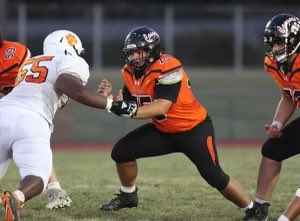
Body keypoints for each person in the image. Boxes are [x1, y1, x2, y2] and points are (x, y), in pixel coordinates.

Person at [98, 26, 254, 218]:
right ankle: (128, 196)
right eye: (131, 52)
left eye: (140, 51)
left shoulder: (168, 66)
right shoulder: (129, 72)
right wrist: (114, 101)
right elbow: (132, 105)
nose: (135, 57)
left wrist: (116, 106)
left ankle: (253, 209)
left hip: (193, 129)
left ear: (152, 50)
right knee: (122, 152)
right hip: (163, 130)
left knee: (214, 176)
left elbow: (160, 107)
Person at [0, 29, 137, 221]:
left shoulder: (30, 63)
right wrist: (109, 104)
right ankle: (16, 197)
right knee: (37, 178)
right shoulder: (71, 61)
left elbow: (56, 96)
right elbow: (66, 84)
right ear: (70, 47)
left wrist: (99, 98)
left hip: (3, 111)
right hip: (32, 120)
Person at [0, 36, 73, 210]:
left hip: (29, 101)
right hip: (13, 106)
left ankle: (55, 190)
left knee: (34, 144)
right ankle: (53, 191)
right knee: (35, 149)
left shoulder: (13, 52)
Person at [241, 13, 300, 221]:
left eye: (278, 42)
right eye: (271, 43)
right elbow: (289, 96)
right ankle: (260, 208)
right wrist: (277, 122)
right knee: (271, 150)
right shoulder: (275, 63)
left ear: (293, 40)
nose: (274, 48)